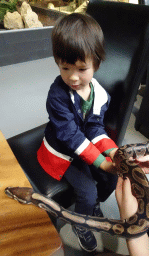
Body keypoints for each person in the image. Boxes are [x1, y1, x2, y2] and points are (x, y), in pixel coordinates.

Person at [37, 13, 118, 252]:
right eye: (65, 67)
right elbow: (70, 136)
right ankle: (80, 224)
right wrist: (101, 162)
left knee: (111, 178)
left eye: (82, 69)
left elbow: (94, 127)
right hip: (61, 152)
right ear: (57, 61)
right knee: (88, 190)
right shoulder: (57, 95)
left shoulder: (100, 95)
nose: (73, 76)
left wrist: (112, 151)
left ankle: (92, 207)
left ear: (97, 64)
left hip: (82, 148)